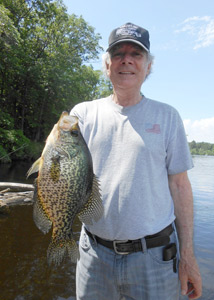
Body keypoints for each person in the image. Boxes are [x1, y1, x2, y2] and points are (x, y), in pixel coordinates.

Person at [71, 22, 202, 300]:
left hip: (154, 257)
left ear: (148, 67)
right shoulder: (82, 115)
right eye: (118, 53)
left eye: (136, 54)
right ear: (107, 65)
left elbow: (180, 186)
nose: (126, 59)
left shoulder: (168, 116)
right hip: (93, 254)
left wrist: (188, 255)